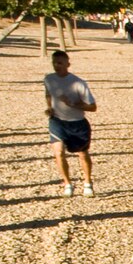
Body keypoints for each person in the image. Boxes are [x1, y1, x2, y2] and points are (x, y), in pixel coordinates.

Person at [42, 49, 97, 197]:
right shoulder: (48, 79)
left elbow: (93, 107)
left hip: (77, 123)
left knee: (82, 154)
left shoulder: (78, 83)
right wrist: (50, 108)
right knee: (59, 153)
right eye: (54, 63)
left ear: (68, 64)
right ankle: (67, 184)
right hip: (57, 122)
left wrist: (73, 104)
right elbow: (48, 94)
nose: (57, 66)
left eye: (60, 63)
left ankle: (87, 182)